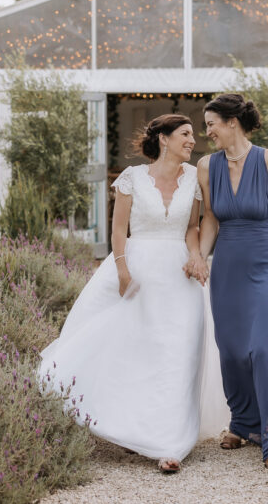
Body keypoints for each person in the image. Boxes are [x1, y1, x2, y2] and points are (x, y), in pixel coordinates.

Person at [38, 114, 228, 473]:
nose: (192, 141)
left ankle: (171, 443)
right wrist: (123, 271)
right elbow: (118, 231)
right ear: (164, 139)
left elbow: (191, 228)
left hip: (179, 276)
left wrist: (195, 255)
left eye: (192, 135)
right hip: (137, 270)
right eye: (185, 135)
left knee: (180, 353)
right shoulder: (132, 179)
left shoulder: (194, 180)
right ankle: (130, 425)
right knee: (136, 352)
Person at [196, 93, 268, 470]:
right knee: (230, 350)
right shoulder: (206, 165)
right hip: (227, 264)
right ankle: (243, 422)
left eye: (211, 123)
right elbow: (211, 216)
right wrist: (199, 256)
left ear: (232, 122)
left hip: (266, 262)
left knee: (263, 349)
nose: (206, 130)